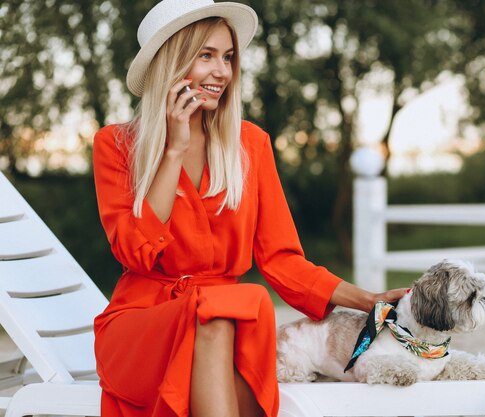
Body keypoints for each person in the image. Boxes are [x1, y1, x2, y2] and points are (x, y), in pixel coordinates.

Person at [92, 1, 408, 417]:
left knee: (226, 311)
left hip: (230, 323)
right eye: (206, 55)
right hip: (144, 326)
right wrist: (173, 150)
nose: (222, 72)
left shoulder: (249, 145)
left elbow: (281, 260)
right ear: (171, 61)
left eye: (228, 57)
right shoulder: (116, 146)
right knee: (218, 315)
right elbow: (134, 250)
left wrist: (369, 301)